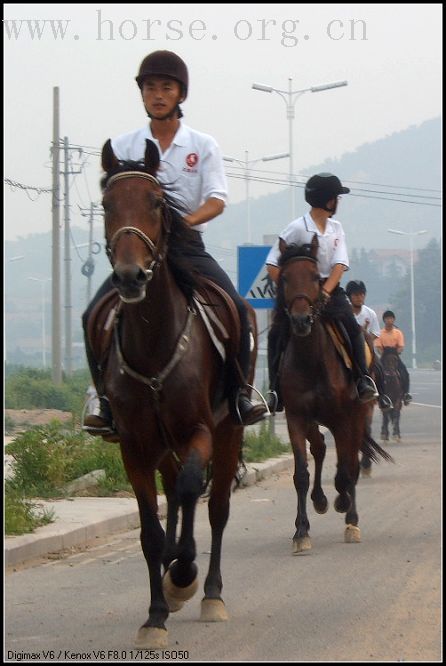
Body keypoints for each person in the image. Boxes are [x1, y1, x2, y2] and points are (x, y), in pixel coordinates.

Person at [82, 50, 267, 434]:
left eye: (166, 87)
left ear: (181, 94)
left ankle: (241, 393)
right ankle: (102, 399)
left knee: (239, 309)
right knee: (91, 315)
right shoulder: (124, 145)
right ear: (143, 95)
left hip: (186, 248)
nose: (158, 94)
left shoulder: (204, 145)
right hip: (137, 250)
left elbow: (217, 199)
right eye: (150, 88)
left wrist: (181, 223)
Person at [265, 173, 379, 413]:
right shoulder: (296, 228)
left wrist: (325, 292)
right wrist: (290, 289)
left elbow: (339, 265)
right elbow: (272, 265)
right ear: (329, 201)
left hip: (329, 291)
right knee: (276, 332)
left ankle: (362, 379)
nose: (338, 202)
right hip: (299, 293)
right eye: (337, 197)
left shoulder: (337, 228)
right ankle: (275, 390)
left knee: (352, 327)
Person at [345, 280, 393, 410]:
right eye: (355, 295)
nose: (359, 298)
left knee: (378, 365)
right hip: (346, 344)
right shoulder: (345, 313)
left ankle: (382, 396)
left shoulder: (370, 313)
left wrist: (364, 339)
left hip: (366, 345)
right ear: (349, 296)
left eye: (361, 294)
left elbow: (376, 333)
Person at [374, 310, 412, 404]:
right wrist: (385, 354)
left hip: (395, 356)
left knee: (405, 372)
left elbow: (401, 347)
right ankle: (376, 394)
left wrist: (395, 353)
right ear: (384, 320)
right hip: (384, 356)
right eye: (387, 318)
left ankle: (406, 394)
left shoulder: (398, 333)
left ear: (394, 320)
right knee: (376, 372)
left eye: (391, 318)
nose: (389, 320)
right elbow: (378, 347)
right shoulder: (380, 333)